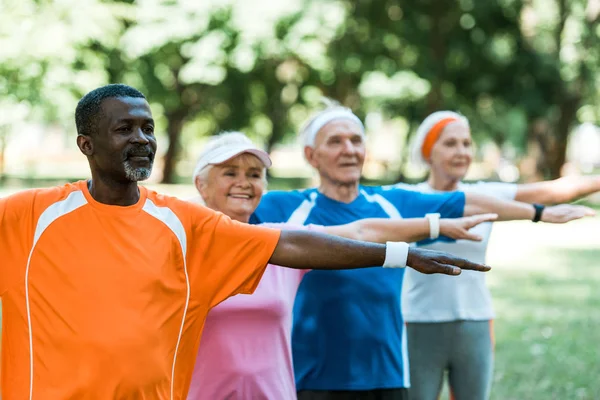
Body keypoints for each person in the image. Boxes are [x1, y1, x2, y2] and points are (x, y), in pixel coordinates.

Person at [0, 85, 492, 400]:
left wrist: (402, 255)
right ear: (86, 144)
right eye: (124, 129)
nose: (142, 139)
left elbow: (289, 244)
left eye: (148, 128)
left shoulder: (180, 222)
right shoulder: (31, 215)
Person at [250, 103, 594, 400]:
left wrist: (537, 213)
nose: (349, 150)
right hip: (310, 378)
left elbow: (468, 201)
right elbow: (221, 218)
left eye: (356, 141)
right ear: (311, 155)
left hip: (388, 377)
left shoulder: (393, 202)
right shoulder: (283, 207)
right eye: (335, 142)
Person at [185, 132, 499, 400]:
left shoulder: (283, 243)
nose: (244, 183)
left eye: (254, 174)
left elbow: (361, 231)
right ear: (202, 184)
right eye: (230, 172)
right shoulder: (179, 247)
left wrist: (435, 227)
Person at [394, 110, 600, 400]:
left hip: (475, 322)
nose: (461, 152)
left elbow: (552, 191)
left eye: (467, 143)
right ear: (428, 151)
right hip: (418, 321)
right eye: (450, 143)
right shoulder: (406, 196)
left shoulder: (486, 193)